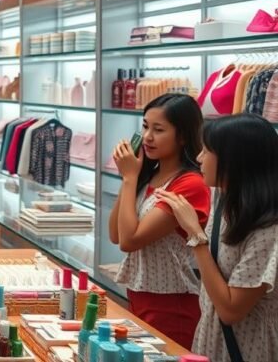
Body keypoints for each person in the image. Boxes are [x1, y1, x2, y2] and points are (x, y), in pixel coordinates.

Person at [159, 114, 278, 360]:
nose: (199, 157)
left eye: (207, 150)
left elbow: (230, 310)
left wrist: (194, 234)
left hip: (249, 348)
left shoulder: (270, 228)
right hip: (211, 340)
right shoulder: (224, 201)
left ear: (234, 160)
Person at [110, 93, 210, 349]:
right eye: (145, 126)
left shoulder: (190, 184)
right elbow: (115, 234)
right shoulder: (149, 174)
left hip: (172, 303)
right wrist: (129, 178)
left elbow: (129, 241)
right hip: (140, 294)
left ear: (183, 135)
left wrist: (130, 178)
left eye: (158, 129)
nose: (147, 137)